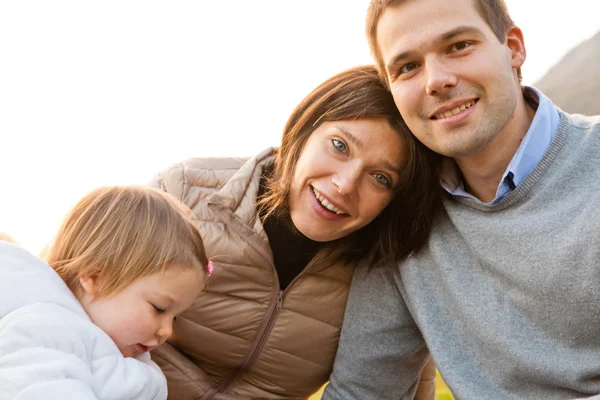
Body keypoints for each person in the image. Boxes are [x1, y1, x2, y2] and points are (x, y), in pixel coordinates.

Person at [323, 0, 600, 399]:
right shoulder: (406, 220)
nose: (436, 80)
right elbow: (359, 393)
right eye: (407, 67)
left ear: (513, 46)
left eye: (458, 46)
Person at [148, 65, 442, 399]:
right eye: (339, 145)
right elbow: (85, 305)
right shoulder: (184, 191)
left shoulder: (386, 272)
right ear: (304, 130)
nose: (344, 185)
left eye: (380, 178)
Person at [0, 186, 211, 399]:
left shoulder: (110, 348)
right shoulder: (48, 330)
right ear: (94, 277)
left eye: (174, 317)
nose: (167, 331)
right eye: (159, 308)